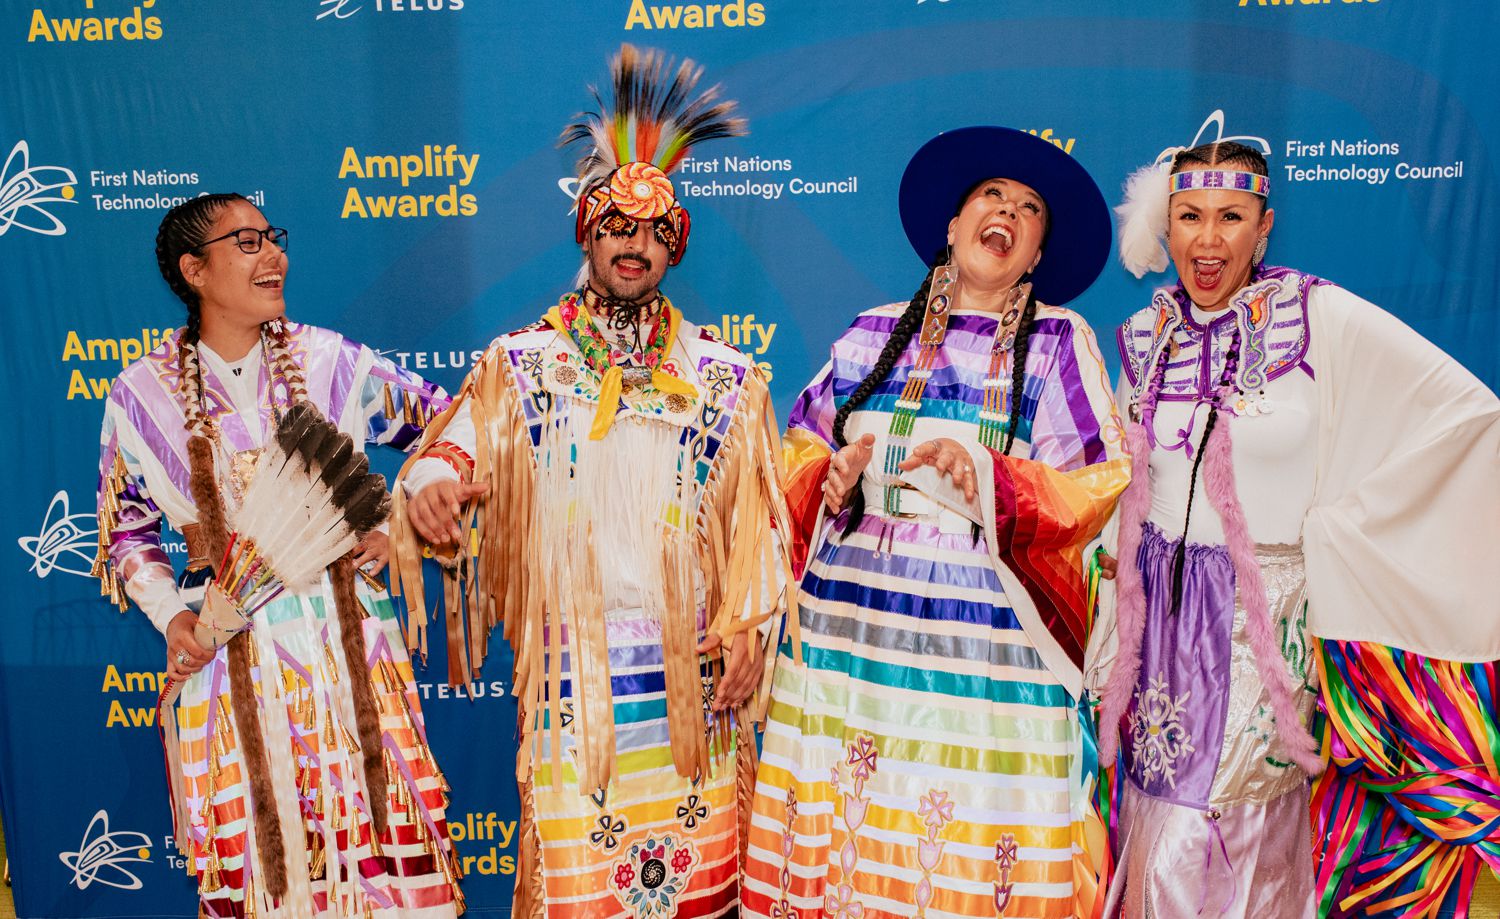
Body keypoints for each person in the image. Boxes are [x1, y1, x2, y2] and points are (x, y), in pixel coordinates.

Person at [391, 45, 791, 917]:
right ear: (588, 234)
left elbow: (761, 525)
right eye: (616, 225)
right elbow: (451, 445)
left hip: (697, 676)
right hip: (577, 673)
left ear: (673, 245)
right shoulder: (522, 364)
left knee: (699, 890)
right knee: (582, 888)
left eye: (653, 230)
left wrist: (750, 629)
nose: (634, 243)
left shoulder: (724, 376)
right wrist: (430, 484)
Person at [1089, 111, 1500, 917]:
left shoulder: (1320, 317)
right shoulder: (1142, 336)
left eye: (1231, 216)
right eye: (1190, 216)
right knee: (1154, 822)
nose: (1210, 239)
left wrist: (1336, 536)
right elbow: (1121, 488)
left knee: (1215, 831)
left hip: (1261, 628)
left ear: (1264, 226)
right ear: (1166, 225)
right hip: (1156, 635)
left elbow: (1465, 417)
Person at [742, 126, 1130, 919]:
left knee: (960, 837)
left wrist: (987, 475)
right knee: (849, 822)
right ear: (952, 227)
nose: (1007, 214)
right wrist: (832, 476)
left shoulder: (1058, 343)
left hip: (983, 638)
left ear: (1036, 254)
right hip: (852, 628)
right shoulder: (870, 332)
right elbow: (795, 450)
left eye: (1029, 209)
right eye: (991, 196)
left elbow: (1098, 481)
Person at [94, 194, 464, 918]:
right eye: (247, 242)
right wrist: (172, 615)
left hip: (351, 648)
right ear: (194, 270)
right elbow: (128, 529)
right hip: (228, 649)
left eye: (273, 238)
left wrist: (400, 523)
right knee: (259, 871)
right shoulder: (141, 395)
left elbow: (448, 427)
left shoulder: (331, 362)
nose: (274, 256)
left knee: (389, 850)